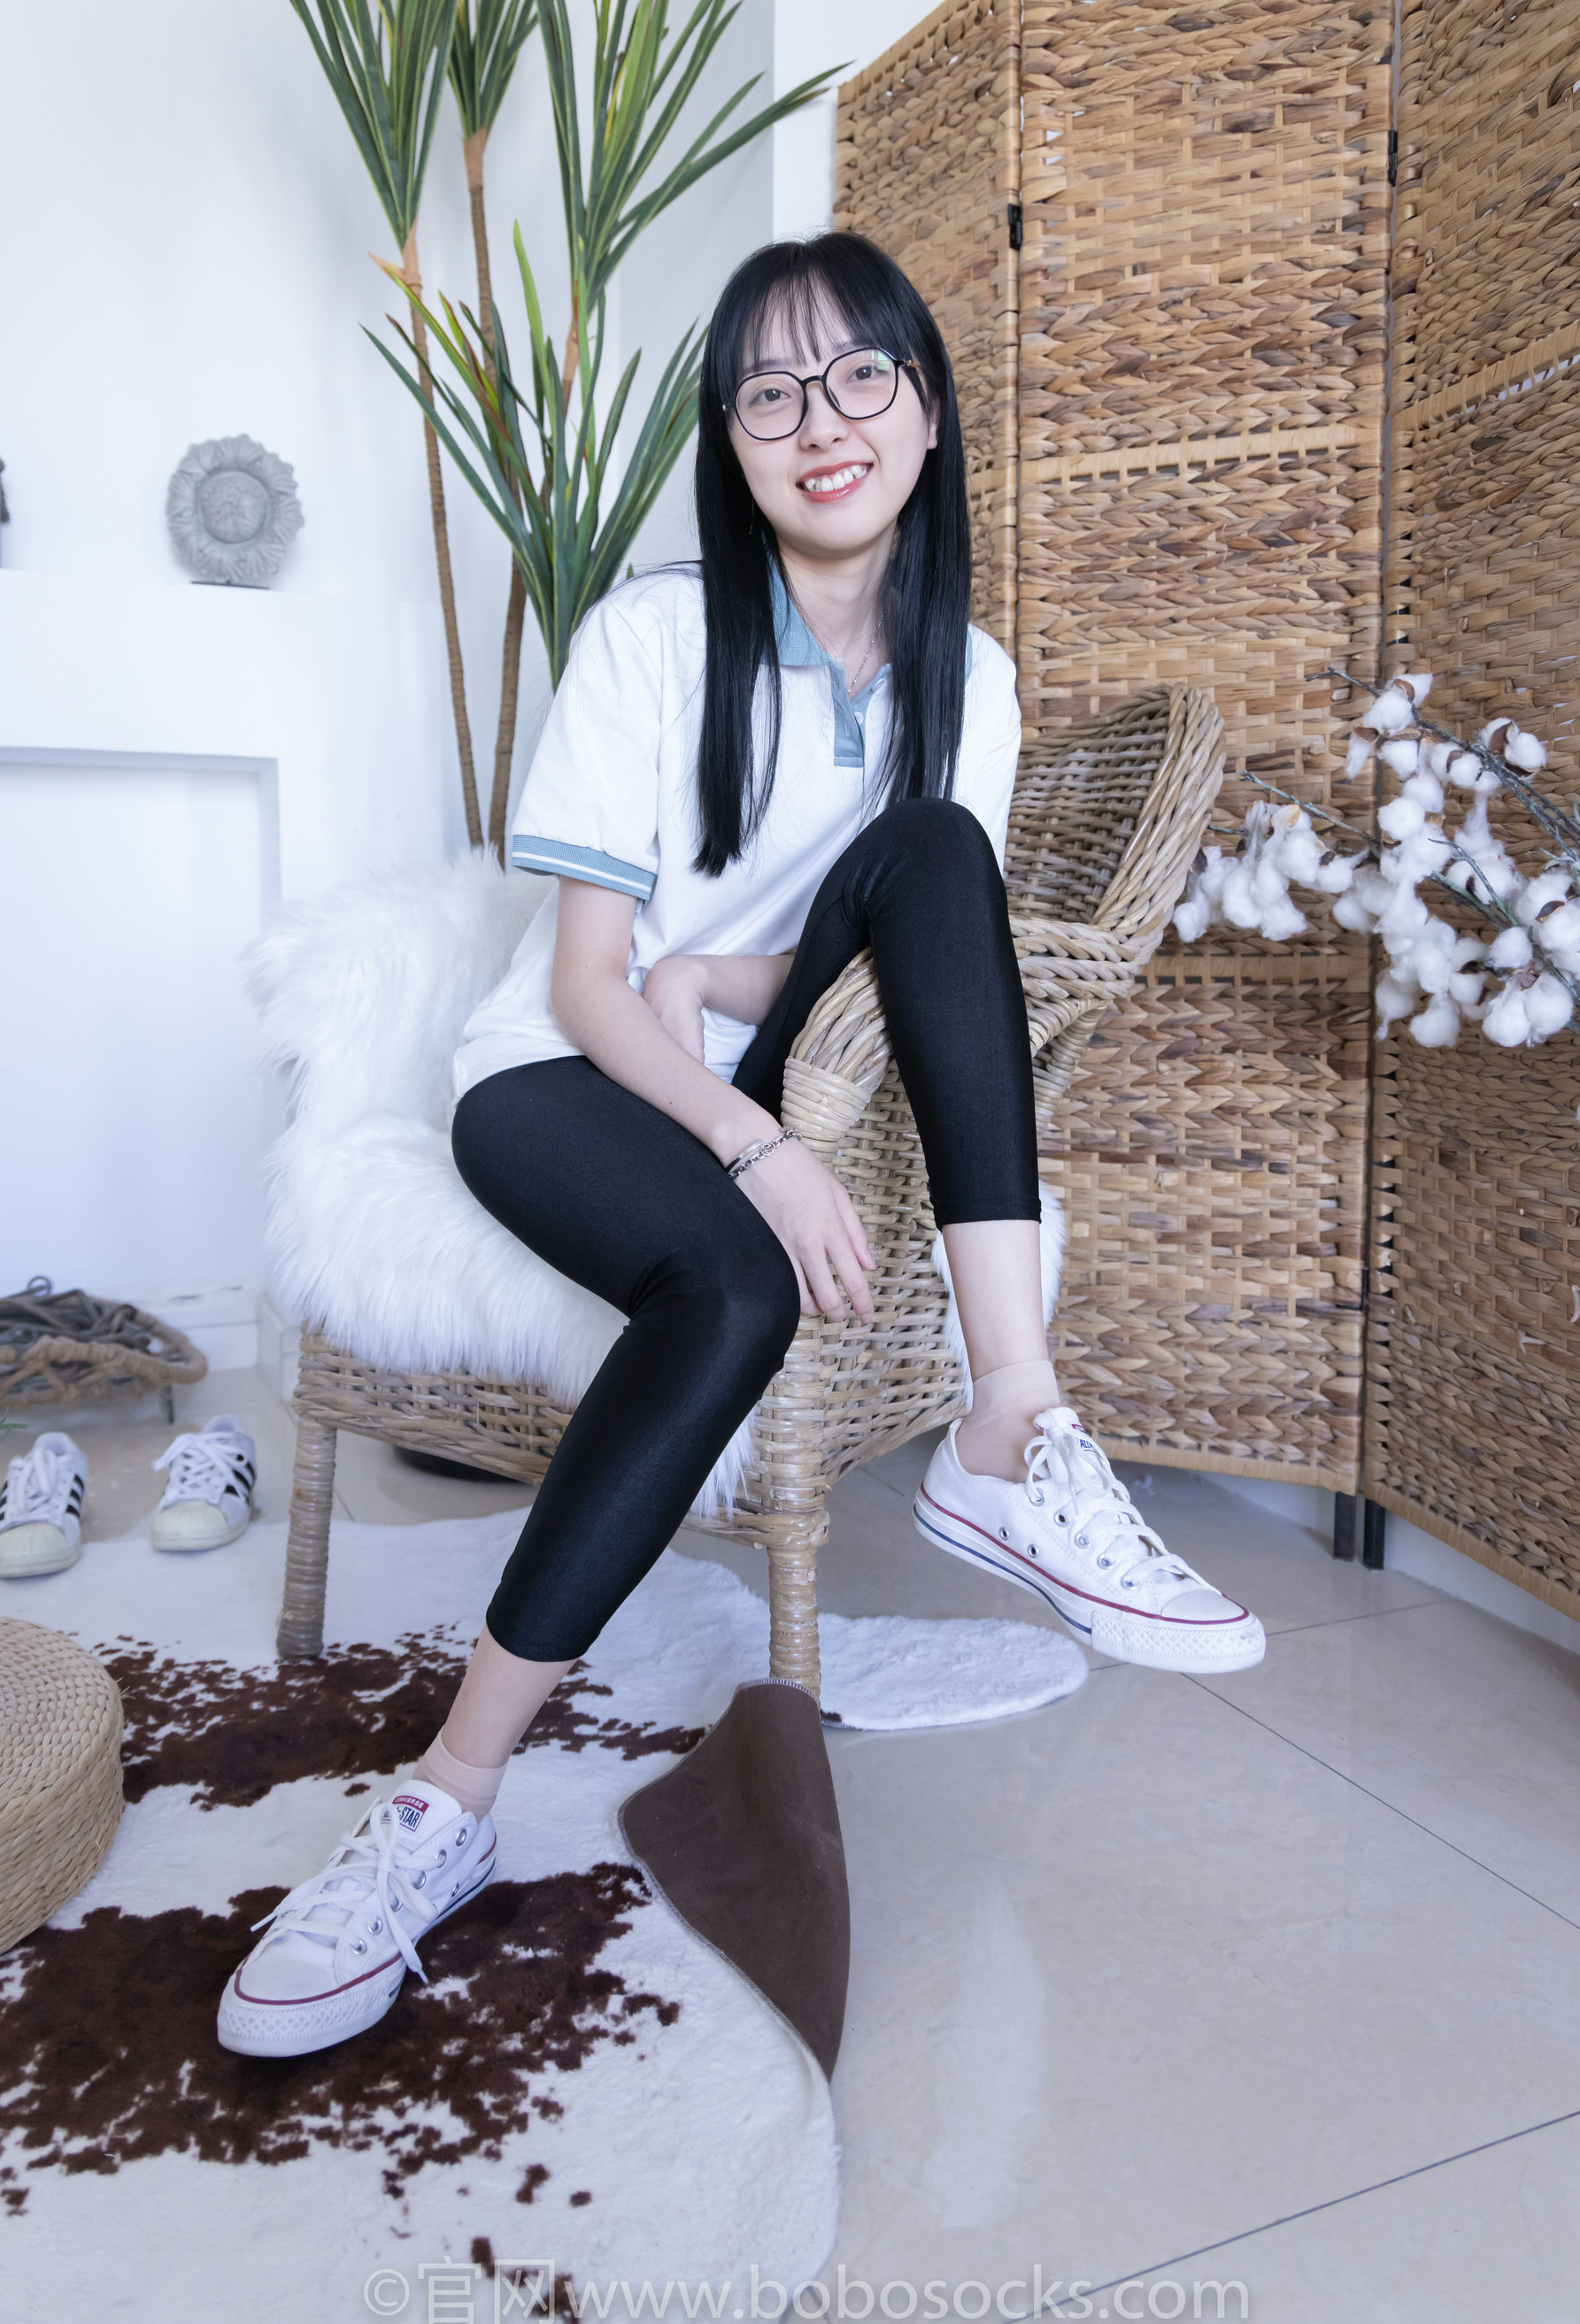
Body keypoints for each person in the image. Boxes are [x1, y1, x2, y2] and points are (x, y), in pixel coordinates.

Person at [218, 232, 1265, 2060]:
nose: (818, 421)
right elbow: (587, 984)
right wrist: (750, 1139)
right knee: (728, 1292)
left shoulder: (973, 679)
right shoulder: (650, 639)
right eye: (770, 392)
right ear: (732, 440)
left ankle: (1010, 1425)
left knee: (941, 851)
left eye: (859, 375)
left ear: (925, 414)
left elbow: (906, 955)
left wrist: (727, 984)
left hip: (744, 1043)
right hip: (561, 1077)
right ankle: (444, 1801)